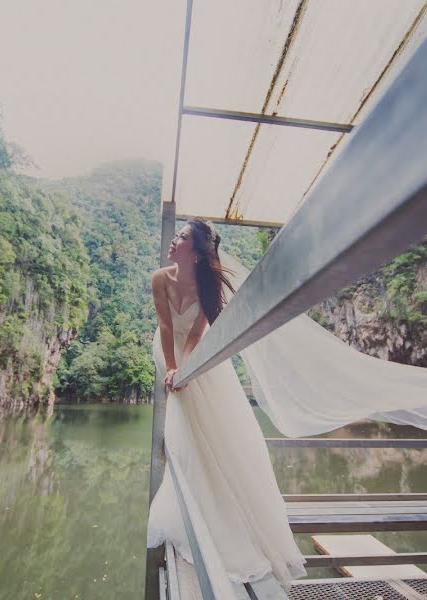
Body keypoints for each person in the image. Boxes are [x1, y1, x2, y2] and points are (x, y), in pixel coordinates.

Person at [146, 218, 307, 598]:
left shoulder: (209, 283)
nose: (174, 241)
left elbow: (199, 331)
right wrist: (172, 370)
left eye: (182, 238)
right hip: (169, 351)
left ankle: (229, 513)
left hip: (199, 355)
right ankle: (194, 508)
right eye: (178, 235)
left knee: (219, 426)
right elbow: (167, 326)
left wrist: (188, 368)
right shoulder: (160, 278)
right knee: (182, 427)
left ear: (198, 252)